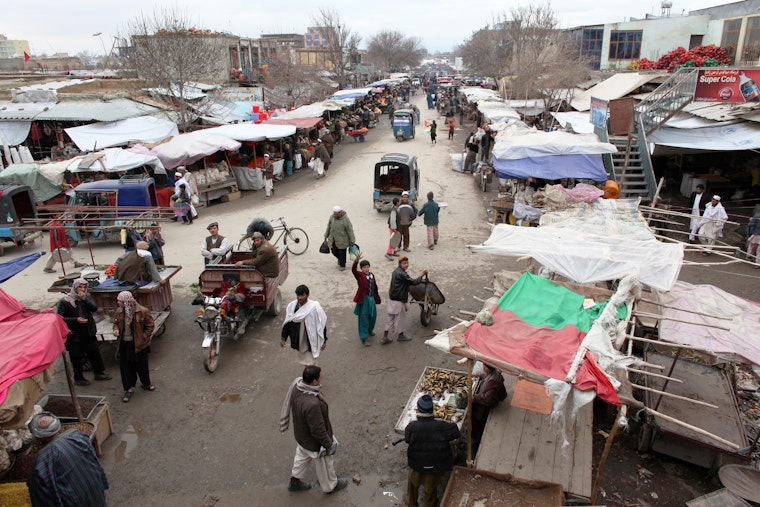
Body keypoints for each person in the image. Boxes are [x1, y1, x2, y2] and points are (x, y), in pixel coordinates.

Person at [279, 365, 348, 494]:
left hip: (301, 435)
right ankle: (330, 485)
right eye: (320, 377)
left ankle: (295, 481)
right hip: (314, 441)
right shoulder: (312, 404)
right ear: (314, 381)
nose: (322, 378)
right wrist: (328, 444)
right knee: (325, 463)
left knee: (302, 456)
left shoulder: (297, 385)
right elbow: (318, 430)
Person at [27, 412, 109, 506]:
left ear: (40, 438)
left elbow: (40, 493)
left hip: (74, 501)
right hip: (94, 490)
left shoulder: (43, 459)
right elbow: (94, 462)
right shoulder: (78, 436)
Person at [404, 394, 460, 507]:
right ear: (432, 411)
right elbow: (456, 432)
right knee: (430, 490)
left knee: (412, 485)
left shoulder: (412, 426)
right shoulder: (442, 426)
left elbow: (407, 439)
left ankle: (411, 503)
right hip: (434, 466)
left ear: (419, 410)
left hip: (416, 464)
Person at [56, 278, 112, 386]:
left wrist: (85, 299)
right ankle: (79, 378)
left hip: (88, 330)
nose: (82, 289)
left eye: (84, 287)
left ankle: (99, 372)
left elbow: (94, 308)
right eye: (80, 287)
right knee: (77, 356)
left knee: (94, 351)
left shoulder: (87, 297)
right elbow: (60, 318)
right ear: (75, 288)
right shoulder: (65, 301)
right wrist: (76, 319)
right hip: (74, 334)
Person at [113, 290, 156, 403]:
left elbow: (150, 326)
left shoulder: (142, 311)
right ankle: (128, 388)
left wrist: (143, 337)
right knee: (126, 367)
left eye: (120, 301)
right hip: (124, 344)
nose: (118, 303)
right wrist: (116, 330)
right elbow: (115, 323)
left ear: (126, 302)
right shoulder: (119, 312)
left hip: (139, 344)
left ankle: (146, 383)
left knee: (142, 365)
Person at [383, 256, 428, 344]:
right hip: (399, 300)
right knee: (400, 318)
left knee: (390, 318)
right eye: (404, 263)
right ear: (400, 264)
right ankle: (401, 335)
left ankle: (385, 336)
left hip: (392, 298)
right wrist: (422, 275)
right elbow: (413, 282)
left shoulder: (396, 271)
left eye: (407, 263)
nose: (406, 265)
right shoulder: (402, 274)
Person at [280, 285, 328, 365]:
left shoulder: (314, 308)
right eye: (298, 295)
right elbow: (288, 323)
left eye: (302, 295)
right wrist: (283, 338)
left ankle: (313, 375)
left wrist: (324, 340)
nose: (300, 298)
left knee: (310, 363)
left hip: (311, 341)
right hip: (299, 340)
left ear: (307, 295)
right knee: (308, 363)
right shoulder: (292, 307)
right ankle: (313, 375)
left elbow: (321, 324)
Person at [472, 363, 508, 444]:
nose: (482, 366)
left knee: (475, 417)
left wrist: (475, 398)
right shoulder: (495, 373)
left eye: (484, 365)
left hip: (488, 405)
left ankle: (477, 439)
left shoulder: (492, 381)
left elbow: (487, 398)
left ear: (487, 369)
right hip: (492, 398)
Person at [351, 253, 381, 346]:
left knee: (373, 316)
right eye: (364, 267)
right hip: (363, 300)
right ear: (361, 268)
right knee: (363, 318)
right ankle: (364, 337)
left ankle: (369, 330)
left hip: (371, 299)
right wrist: (356, 260)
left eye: (368, 266)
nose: (366, 268)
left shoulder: (372, 275)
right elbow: (353, 270)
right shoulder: (359, 275)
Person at [324, 205, 355, 271]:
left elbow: (350, 230)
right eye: (334, 213)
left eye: (336, 213)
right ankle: (340, 259)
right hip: (333, 239)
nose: (335, 214)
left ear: (340, 212)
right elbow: (328, 227)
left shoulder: (345, 219)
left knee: (342, 252)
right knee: (333, 251)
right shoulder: (331, 217)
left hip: (342, 240)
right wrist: (326, 235)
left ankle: (342, 265)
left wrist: (352, 240)